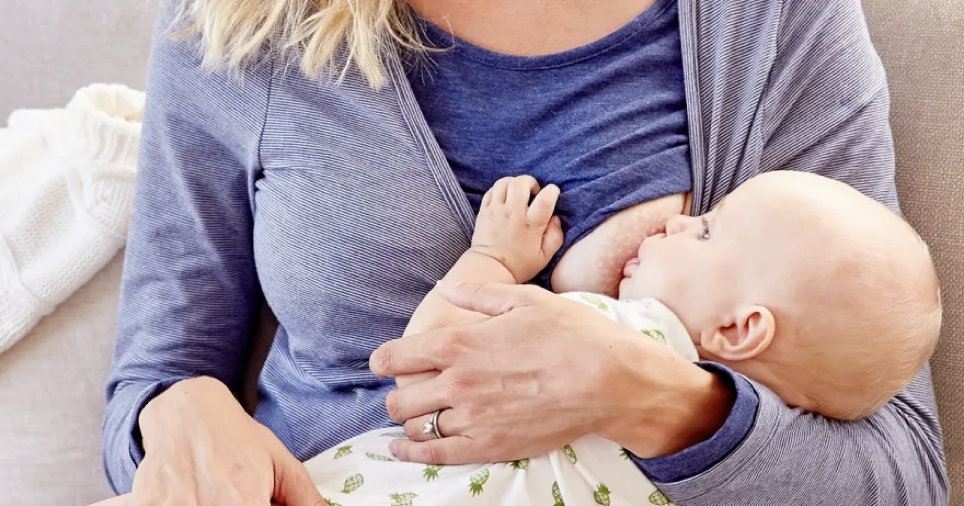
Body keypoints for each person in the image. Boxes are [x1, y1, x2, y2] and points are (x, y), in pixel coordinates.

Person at [101, 0, 950, 504]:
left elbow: (902, 474)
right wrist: (177, 416)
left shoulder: (771, 23)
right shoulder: (245, 18)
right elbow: (157, 368)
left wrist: (650, 399)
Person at [294, 170, 940, 506]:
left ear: (740, 329)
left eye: (708, 232)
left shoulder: (618, 332)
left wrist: (492, 258)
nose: (681, 223)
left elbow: (425, 371)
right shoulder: (730, 475)